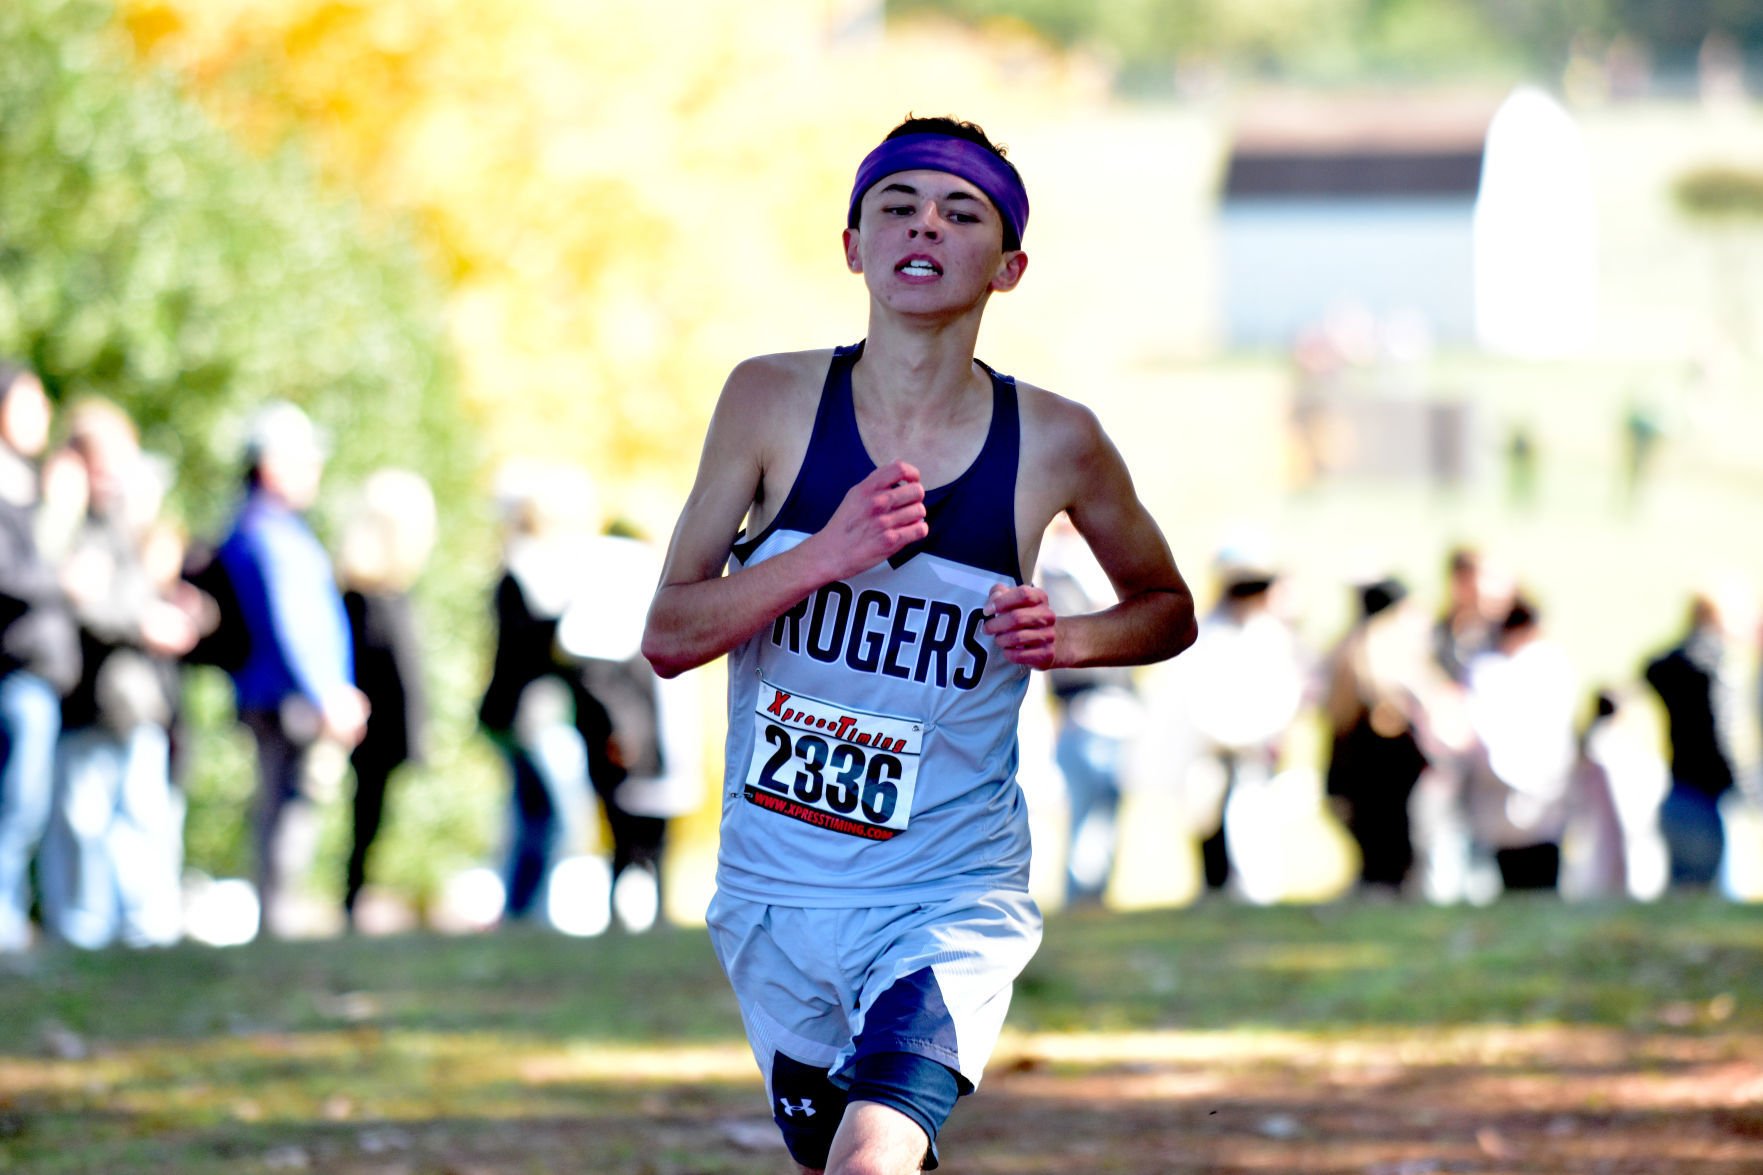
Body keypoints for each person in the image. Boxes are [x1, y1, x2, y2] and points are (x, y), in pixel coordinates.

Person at [641, 116, 1196, 1174]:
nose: (922, 226)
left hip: (948, 888)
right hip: (776, 890)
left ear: (1009, 265)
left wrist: (1068, 635)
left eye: (959, 212)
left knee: (871, 1157)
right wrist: (824, 552)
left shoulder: (1057, 439)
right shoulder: (767, 398)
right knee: (838, 1158)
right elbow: (669, 633)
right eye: (895, 205)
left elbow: (1167, 607)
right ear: (852, 244)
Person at [38, 401, 197, 948]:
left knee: (141, 822)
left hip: (136, 700)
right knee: (81, 824)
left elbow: (123, 591)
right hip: (84, 698)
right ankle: (82, 932)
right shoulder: (60, 523)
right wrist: (141, 619)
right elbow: (82, 599)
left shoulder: (124, 527)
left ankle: (143, 932)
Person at [217, 401, 366, 939]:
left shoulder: (271, 528)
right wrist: (328, 693)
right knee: (284, 813)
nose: (315, 473)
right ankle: (276, 920)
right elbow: (291, 623)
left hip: (286, 694)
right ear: (272, 465)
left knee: (288, 811)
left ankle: (278, 916)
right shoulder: (267, 533)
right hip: (284, 698)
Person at [0, 363, 80, 952]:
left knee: (29, 807)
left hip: (40, 675)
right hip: (12, 672)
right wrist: (62, 578)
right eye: (31, 405)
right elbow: (12, 577)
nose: (43, 418)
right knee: (16, 804)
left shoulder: (28, 487)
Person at [1175, 545, 1305, 898]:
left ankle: (1253, 894)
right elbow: (1195, 696)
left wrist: (1261, 735)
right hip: (1211, 752)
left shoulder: (1270, 635)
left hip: (1255, 756)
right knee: (1207, 821)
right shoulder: (1206, 632)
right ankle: (1214, 889)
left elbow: (1283, 694)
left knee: (1253, 827)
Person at [336, 469, 435, 929]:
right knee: (361, 813)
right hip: (363, 728)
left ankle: (356, 896)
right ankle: (350, 898)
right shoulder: (361, 598)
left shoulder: (391, 595)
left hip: (381, 729)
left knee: (371, 815)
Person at [1036, 515, 1144, 907]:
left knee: (1107, 817)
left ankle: (1095, 900)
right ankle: (1082, 902)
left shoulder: (1097, 574)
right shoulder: (1055, 575)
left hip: (1118, 714)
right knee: (1086, 821)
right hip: (1084, 714)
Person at [1323, 578, 1434, 896]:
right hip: (1379, 763)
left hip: (1358, 763)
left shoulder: (1347, 646)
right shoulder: (1380, 645)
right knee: (1387, 845)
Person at [1643, 589, 1746, 889]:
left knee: (1685, 888)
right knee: (1712, 893)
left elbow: (1650, 668)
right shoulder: (1712, 666)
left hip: (1680, 789)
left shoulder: (1676, 663)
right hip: (1706, 793)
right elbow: (1723, 734)